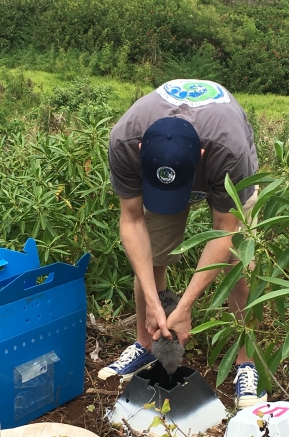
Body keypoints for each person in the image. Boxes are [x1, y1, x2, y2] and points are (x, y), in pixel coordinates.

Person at [97, 79, 266, 408]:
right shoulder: (124, 139)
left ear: (201, 155)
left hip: (225, 173)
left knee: (240, 266)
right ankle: (147, 345)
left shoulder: (229, 149)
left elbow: (223, 231)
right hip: (169, 162)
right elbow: (132, 220)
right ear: (141, 152)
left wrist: (185, 305)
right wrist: (152, 301)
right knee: (153, 252)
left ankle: (246, 362)